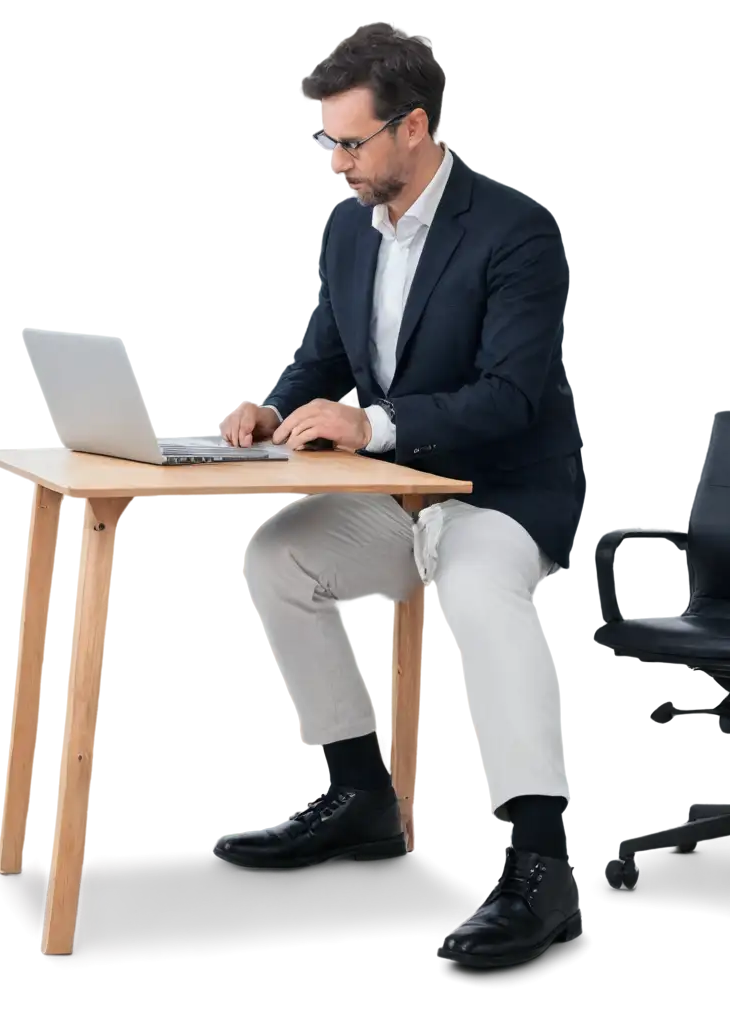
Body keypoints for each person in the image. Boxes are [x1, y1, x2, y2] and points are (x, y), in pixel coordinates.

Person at [212, 22, 584, 971]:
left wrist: (369, 426)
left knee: (478, 596)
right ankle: (357, 797)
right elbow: (323, 356)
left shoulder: (515, 231)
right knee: (279, 552)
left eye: (349, 142)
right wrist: (271, 405)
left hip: (493, 493)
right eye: (325, 141)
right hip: (394, 500)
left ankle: (542, 863)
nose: (334, 163)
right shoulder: (345, 227)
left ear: (412, 127)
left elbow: (511, 397)